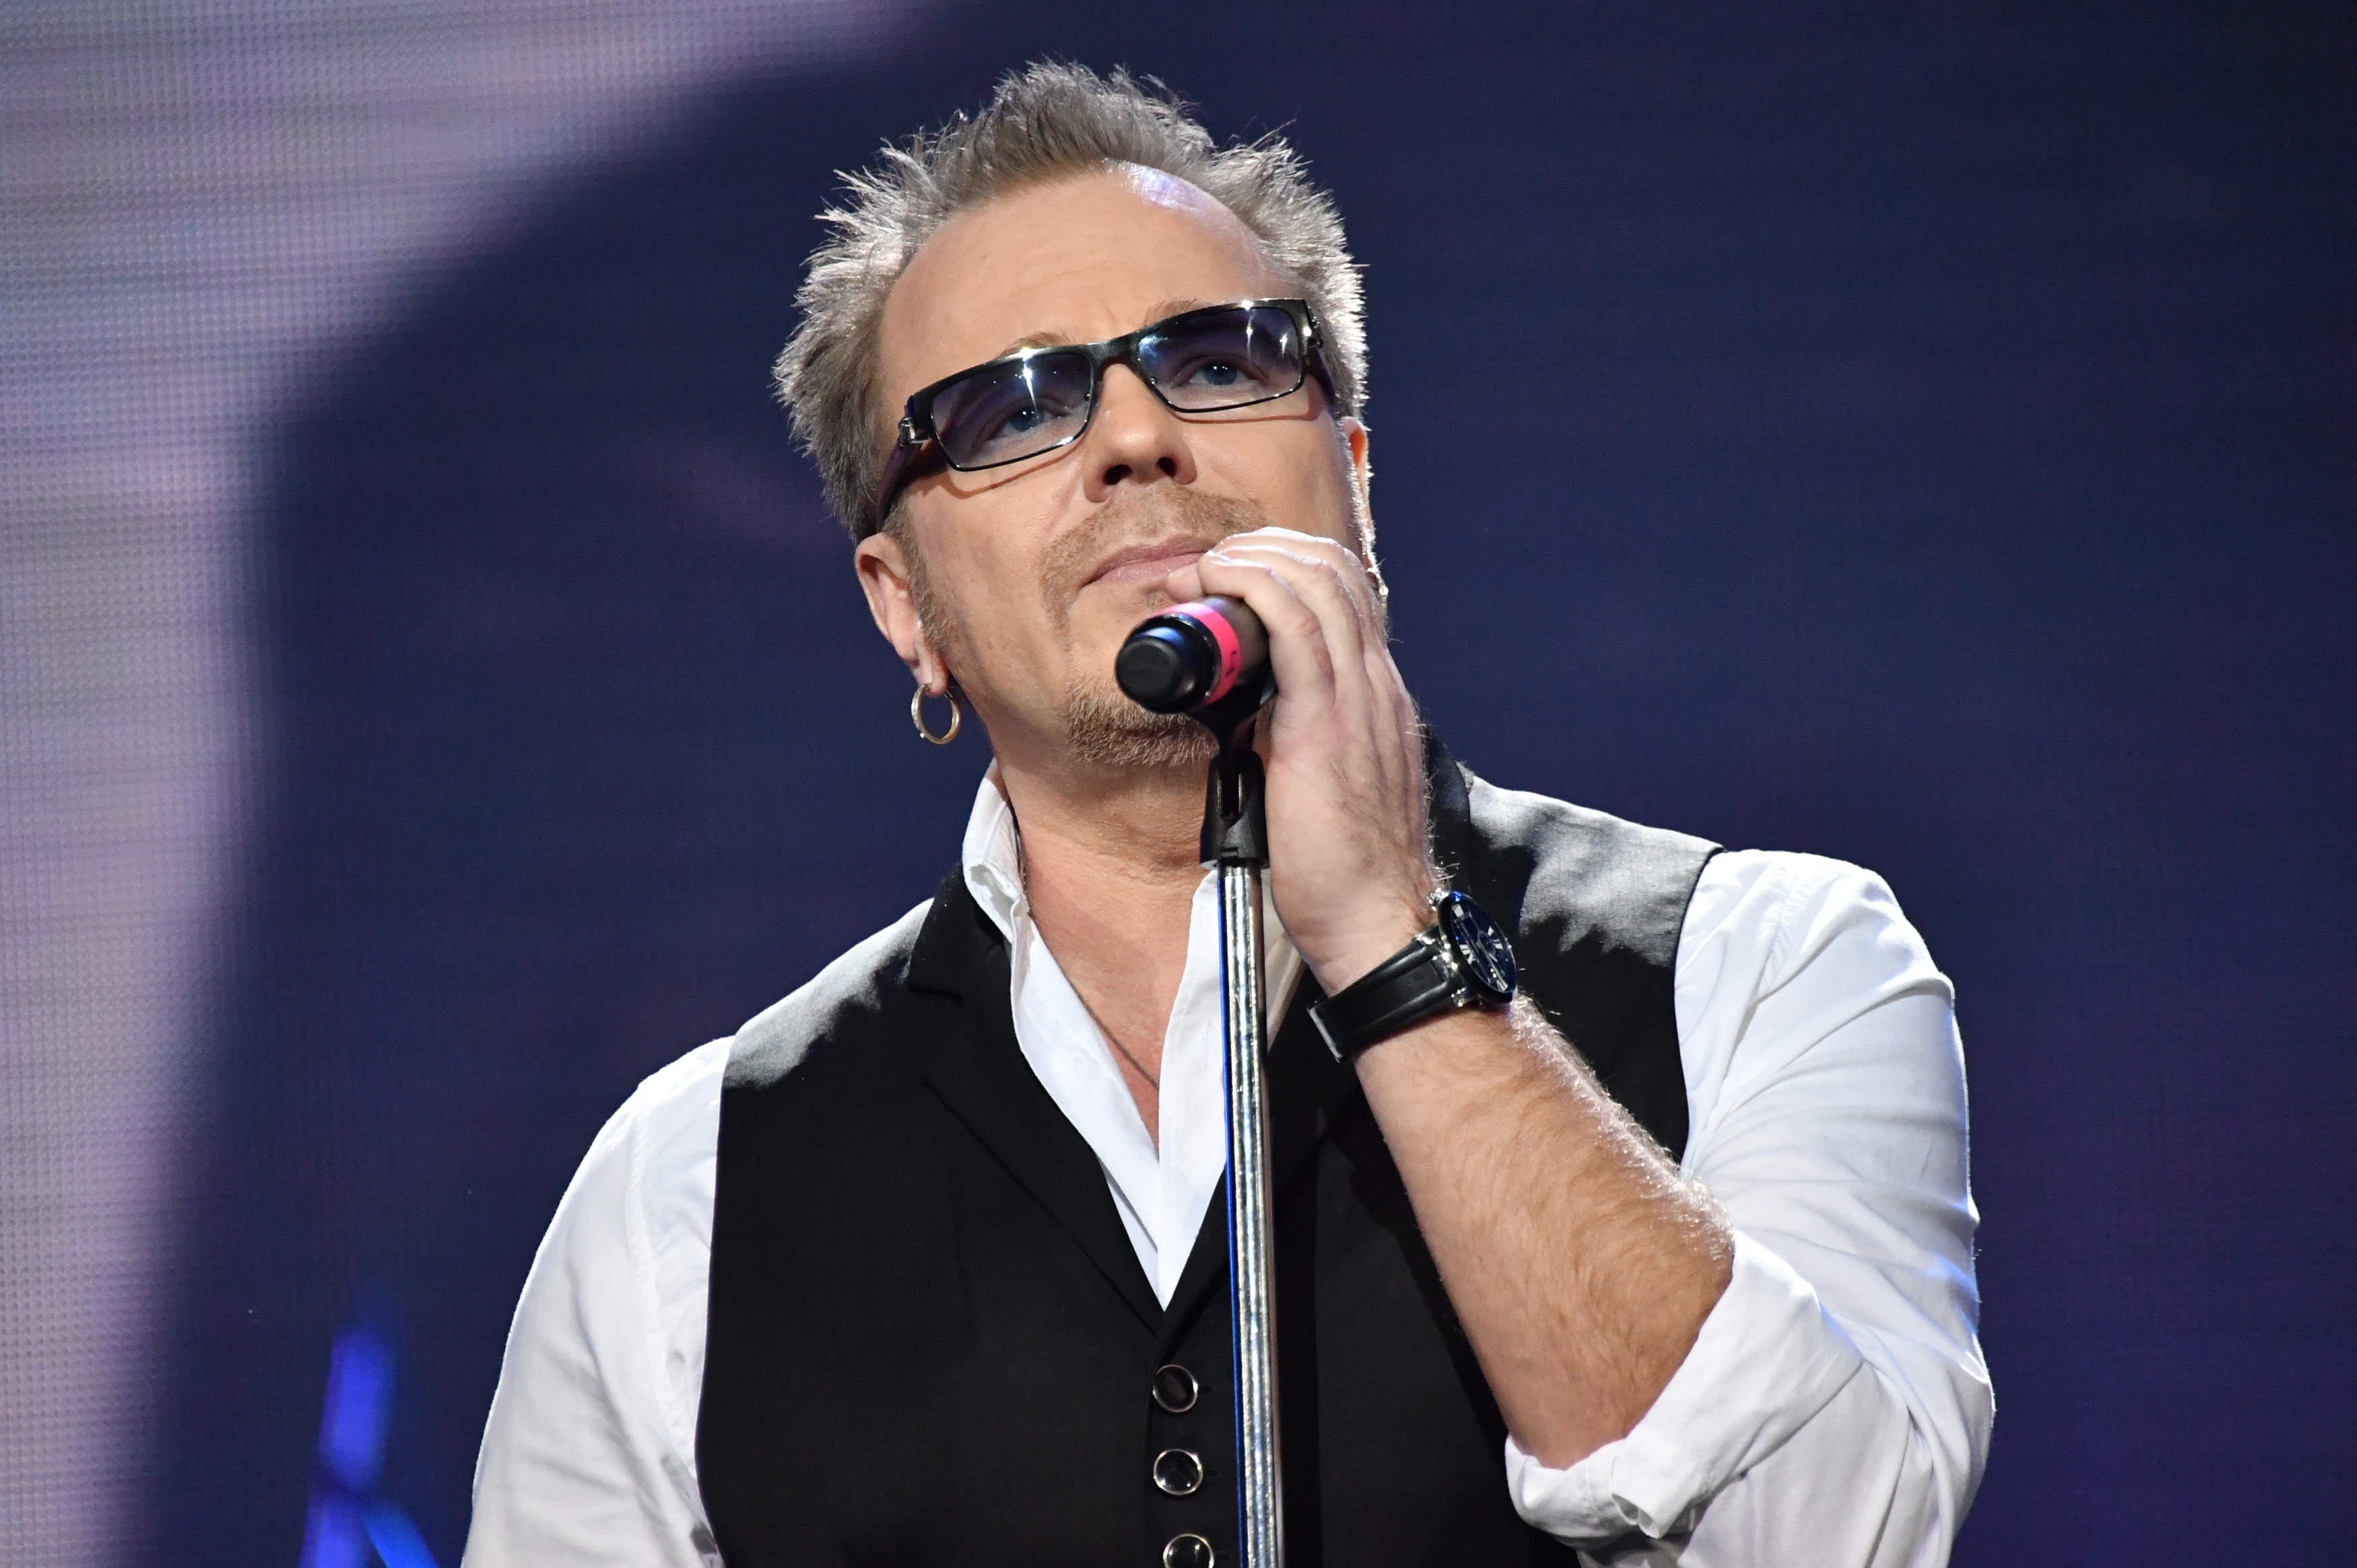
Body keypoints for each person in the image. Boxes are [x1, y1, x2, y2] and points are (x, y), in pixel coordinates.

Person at [462, 63, 1989, 1568]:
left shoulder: (1762, 966)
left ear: (1356, 487)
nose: (1135, 435)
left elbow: (1830, 1540)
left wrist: (1393, 940)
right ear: (905, 605)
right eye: (1010, 409)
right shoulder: (686, 1190)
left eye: (1214, 361)